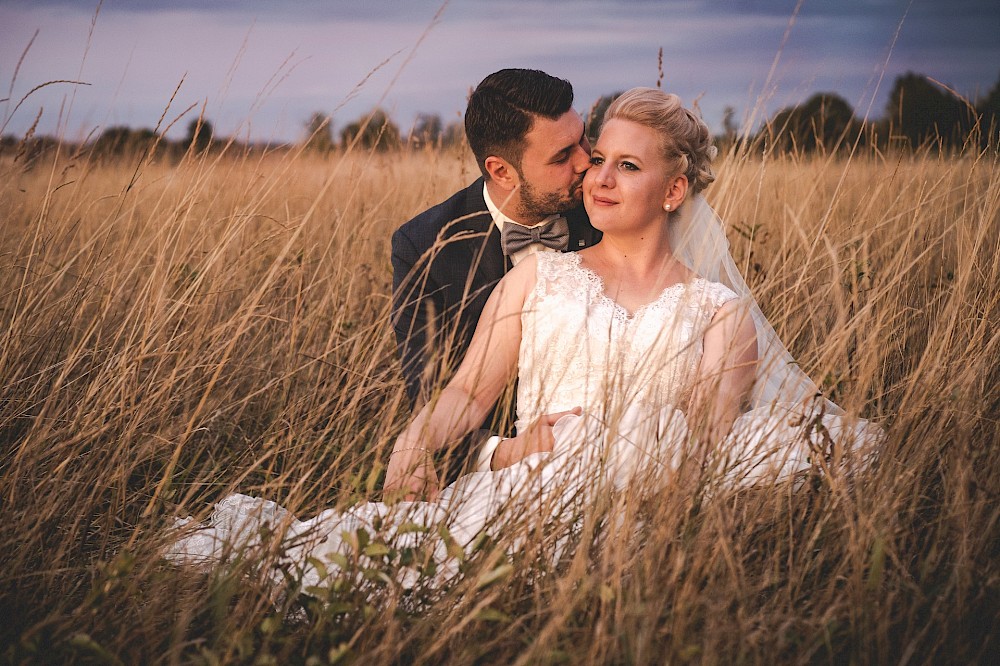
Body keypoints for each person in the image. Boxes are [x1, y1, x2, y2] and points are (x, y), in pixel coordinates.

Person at [165, 88, 882, 591]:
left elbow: (698, 436)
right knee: (378, 564)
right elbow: (468, 390)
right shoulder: (539, 277)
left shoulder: (719, 312)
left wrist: (609, 461)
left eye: (627, 166)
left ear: (674, 191)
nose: (598, 177)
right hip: (528, 482)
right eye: (596, 158)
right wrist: (417, 442)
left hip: (644, 493)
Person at [390, 69, 601, 485]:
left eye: (583, 138)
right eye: (562, 156)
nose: (585, 162)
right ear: (501, 170)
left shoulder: (607, 208)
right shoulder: (425, 246)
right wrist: (505, 453)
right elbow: (433, 400)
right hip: (500, 474)